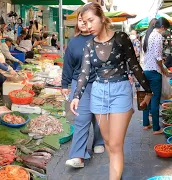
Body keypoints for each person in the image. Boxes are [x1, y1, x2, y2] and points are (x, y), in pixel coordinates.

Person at [70, 3, 152, 180]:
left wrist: (147, 90)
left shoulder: (121, 38)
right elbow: (84, 73)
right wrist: (76, 96)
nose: (88, 26)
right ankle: (117, 173)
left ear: (102, 17)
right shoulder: (89, 45)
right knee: (107, 142)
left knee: (115, 144)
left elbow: (134, 66)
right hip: (98, 93)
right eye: (85, 22)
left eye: (91, 20)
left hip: (120, 90)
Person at [62, 10, 104, 168]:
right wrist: (64, 85)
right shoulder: (73, 42)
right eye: (80, 20)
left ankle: (99, 141)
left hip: (100, 83)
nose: (84, 23)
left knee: (98, 115)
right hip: (79, 84)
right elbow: (68, 65)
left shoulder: (101, 38)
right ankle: (78, 156)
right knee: (81, 118)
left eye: (87, 20)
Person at [142, 17, 170, 134]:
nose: (165, 32)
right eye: (166, 29)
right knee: (154, 99)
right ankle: (156, 128)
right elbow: (158, 57)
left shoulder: (148, 35)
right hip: (154, 72)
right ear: (163, 27)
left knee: (146, 98)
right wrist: (163, 70)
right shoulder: (158, 36)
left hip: (146, 70)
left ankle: (145, 124)